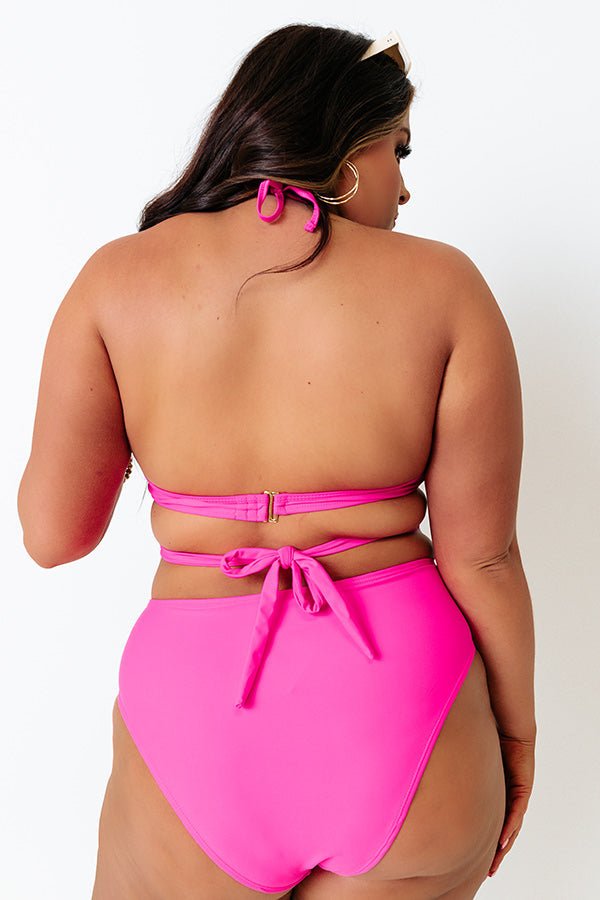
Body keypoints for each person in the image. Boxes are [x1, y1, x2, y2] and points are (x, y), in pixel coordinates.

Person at [18, 23, 535, 900]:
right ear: (346, 149)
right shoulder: (447, 285)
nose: (405, 186)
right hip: (403, 710)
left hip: (195, 722)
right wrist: (516, 735)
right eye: (398, 150)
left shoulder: (116, 280)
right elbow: (483, 558)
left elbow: (51, 534)